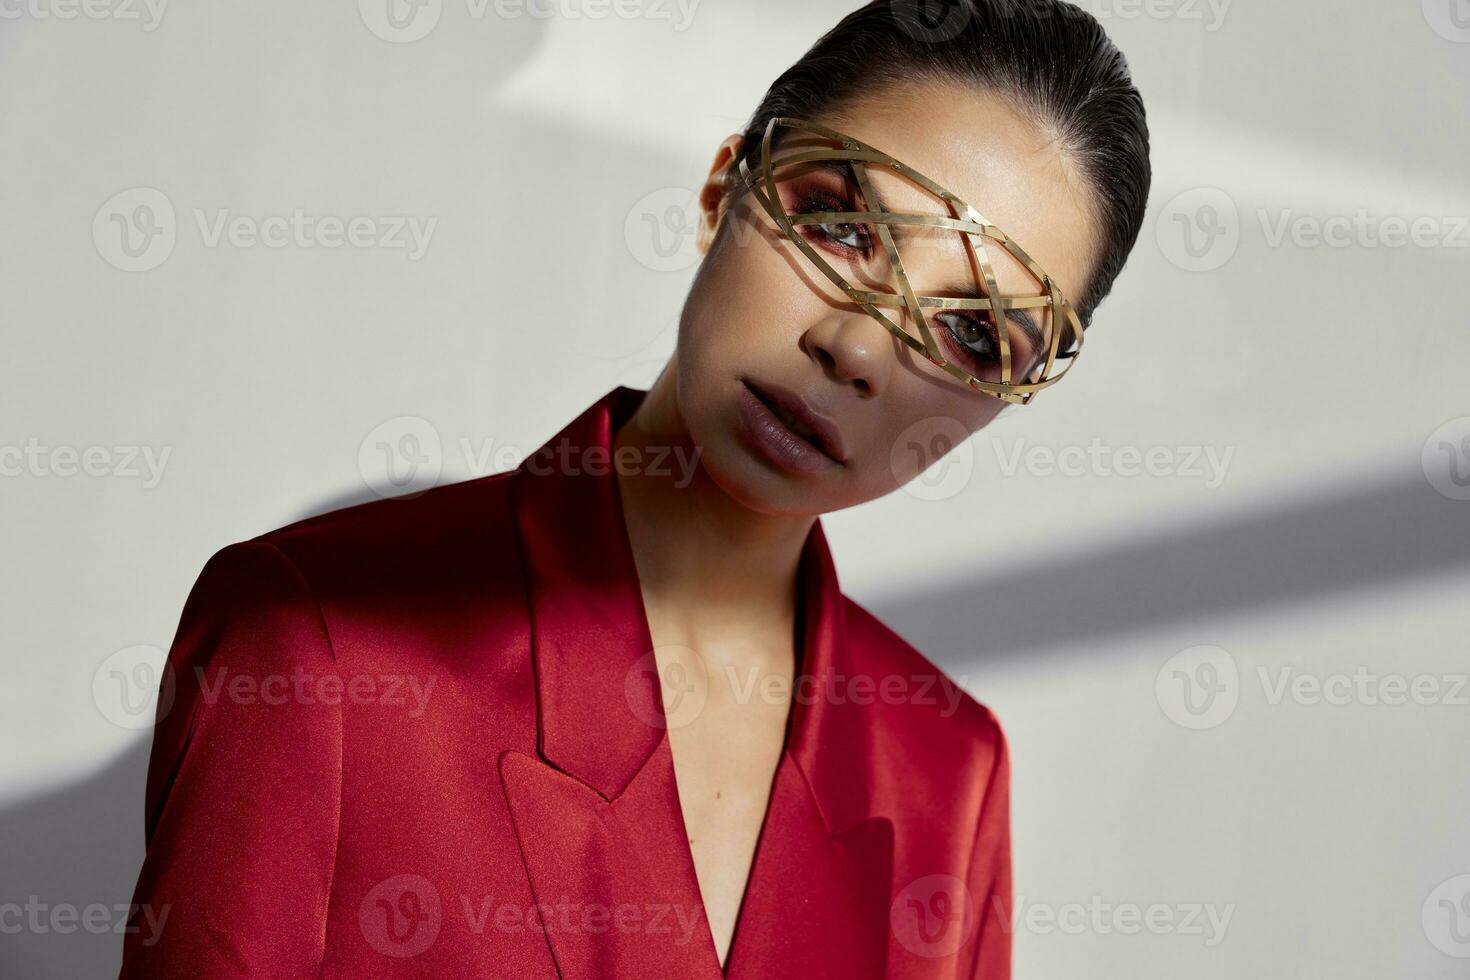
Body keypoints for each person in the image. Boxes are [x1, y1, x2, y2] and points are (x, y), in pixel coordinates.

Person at [119, 1, 1150, 976]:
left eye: (974, 331)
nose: (856, 346)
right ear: (721, 189)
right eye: (840, 223)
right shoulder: (313, 642)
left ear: (1010, 396)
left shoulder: (948, 772)